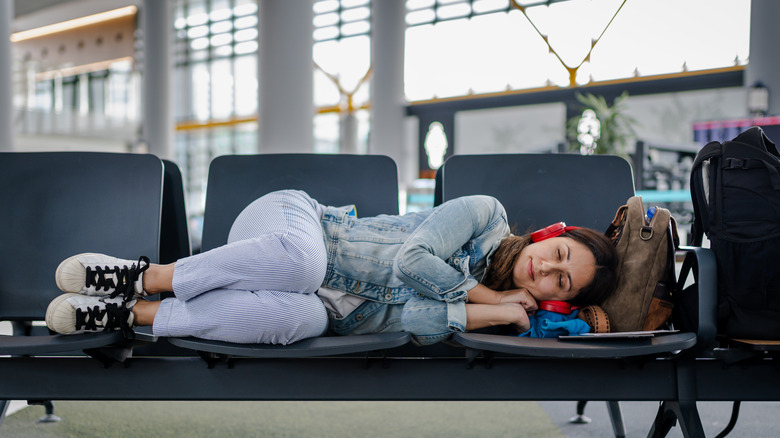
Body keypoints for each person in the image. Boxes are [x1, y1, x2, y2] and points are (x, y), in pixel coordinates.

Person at [45, 190, 617, 346]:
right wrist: (488, 301)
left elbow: (412, 323)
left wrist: (489, 318)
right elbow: (413, 260)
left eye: (559, 283)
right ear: (552, 235)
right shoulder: (485, 214)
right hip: (295, 227)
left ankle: (126, 315)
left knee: (300, 321)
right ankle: (142, 276)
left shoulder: (467, 312)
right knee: (300, 265)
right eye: (559, 255)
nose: (545, 271)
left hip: (320, 303)